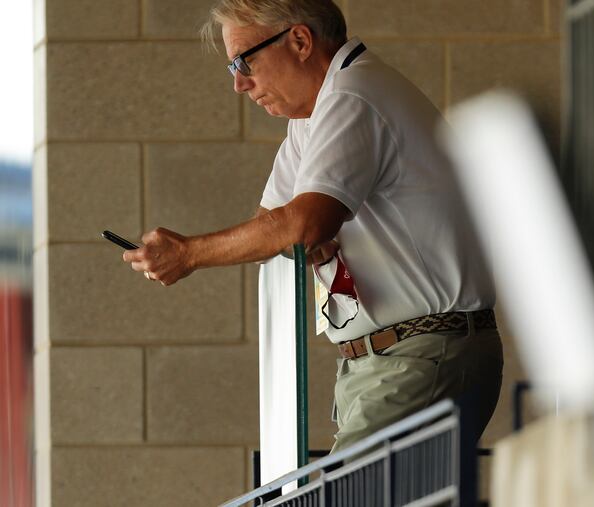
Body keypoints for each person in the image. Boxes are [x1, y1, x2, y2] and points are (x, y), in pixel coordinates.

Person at [123, 0, 503, 452]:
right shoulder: (316, 113)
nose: (240, 84)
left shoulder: (351, 95)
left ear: (300, 41)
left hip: (421, 354)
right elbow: (274, 224)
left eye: (245, 61)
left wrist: (189, 254)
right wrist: (297, 234)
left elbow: (301, 224)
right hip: (396, 357)